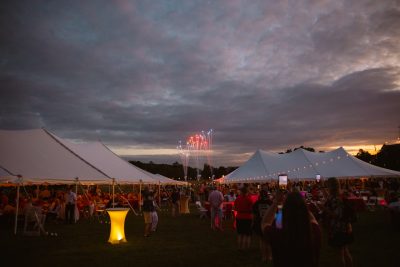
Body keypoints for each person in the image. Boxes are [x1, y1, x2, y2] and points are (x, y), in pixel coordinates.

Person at [262, 191, 321, 267]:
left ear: (286, 211)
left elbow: (265, 222)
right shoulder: (314, 232)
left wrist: (276, 202)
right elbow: (313, 219)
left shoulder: (279, 235)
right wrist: (301, 205)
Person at [323, 177, 354, 267]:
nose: (326, 187)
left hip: (338, 229)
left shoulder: (336, 199)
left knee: (339, 255)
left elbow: (337, 215)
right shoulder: (339, 196)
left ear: (331, 186)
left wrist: (325, 209)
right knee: (345, 251)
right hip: (345, 227)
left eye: (327, 185)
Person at [252, 189, 272, 262]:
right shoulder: (270, 202)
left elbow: (254, 215)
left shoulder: (256, 203)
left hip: (260, 223)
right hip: (269, 223)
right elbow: (276, 213)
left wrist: (253, 222)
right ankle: (269, 256)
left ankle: (263, 257)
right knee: (269, 241)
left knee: (262, 240)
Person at [234, 185, 253, 250]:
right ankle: (246, 248)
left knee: (240, 234)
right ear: (247, 192)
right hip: (247, 217)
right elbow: (251, 209)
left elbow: (235, 208)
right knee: (247, 234)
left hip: (239, 217)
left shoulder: (237, 199)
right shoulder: (249, 199)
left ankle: (240, 247)